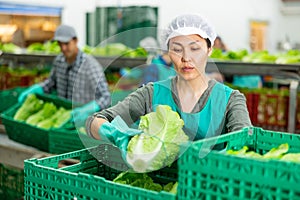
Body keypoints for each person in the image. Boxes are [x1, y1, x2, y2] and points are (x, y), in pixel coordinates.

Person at [86, 13, 252, 162]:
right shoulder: (151, 94)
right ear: (168, 52)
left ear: (209, 50)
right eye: (177, 49)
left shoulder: (231, 99)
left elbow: (247, 142)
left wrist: (216, 159)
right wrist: (117, 135)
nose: (186, 58)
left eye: (195, 48)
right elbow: (94, 122)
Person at [18, 24, 111, 126]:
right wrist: (38, 88)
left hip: (83, 122)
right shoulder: (59, 61)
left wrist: (89, 109)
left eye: (66, 44)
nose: (63, 48)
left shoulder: (90, 66)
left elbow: (106, 97)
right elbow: (50, 84)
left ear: (75, 41)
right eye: (60, 44)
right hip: (61, 118)